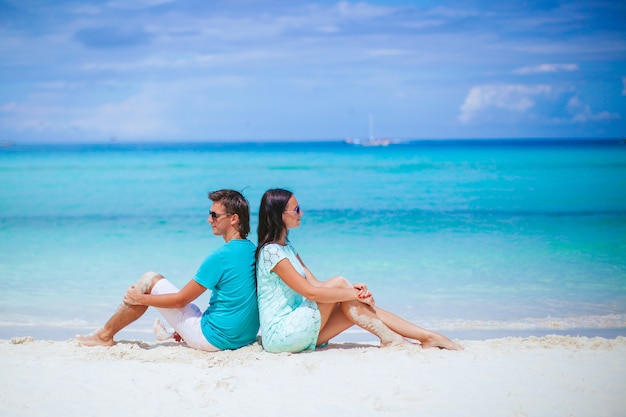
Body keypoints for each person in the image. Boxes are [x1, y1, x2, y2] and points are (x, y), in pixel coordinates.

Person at [255, 188, 463, 353]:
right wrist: (352, 293)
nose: (302, 213)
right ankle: (417, 337)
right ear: (279, 215)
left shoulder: (286, 248)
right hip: (281, 334)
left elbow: (315, 284)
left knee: (351, 306)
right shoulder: (271, 252)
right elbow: (310, 293)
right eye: (296, 209)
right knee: (340, 284)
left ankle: (418, 337)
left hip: (298, 330)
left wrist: (352, 293)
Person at [77, 189, 259, 351]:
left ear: (233, 219)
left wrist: (140, 298)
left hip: (215, 339)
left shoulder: (220, 256)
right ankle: (175, 333)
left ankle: (104, 336)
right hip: (243, 337)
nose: (209, 219)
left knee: (150, 280)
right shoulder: (253, 250)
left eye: (214, 215)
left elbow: (180, 301)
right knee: (194, 308)